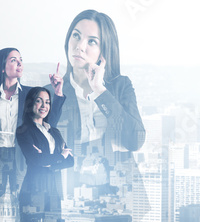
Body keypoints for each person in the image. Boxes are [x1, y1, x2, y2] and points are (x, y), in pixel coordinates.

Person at [50, 9, 147, 217]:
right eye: (76, 36)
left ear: (105, 52)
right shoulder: (50, 93)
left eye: (91, 41)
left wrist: (100, 91)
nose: (80, 46)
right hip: (68, 197)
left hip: (116, 197)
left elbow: (135, 140)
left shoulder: (120, 87)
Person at [0, 47, 65, 220]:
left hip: (23, 158)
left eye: (21, 59)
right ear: (2, 67)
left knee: (24, 212)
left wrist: (57, 93)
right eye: (14, 60)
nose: (20, 63)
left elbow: (49, 123)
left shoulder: (30, 93)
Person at [16, 87, 74, 221]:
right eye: (39, 101)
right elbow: (37, 159)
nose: (44, 106)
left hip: (53, 190)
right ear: (30, 104)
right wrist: (60, 156)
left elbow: (70, 161)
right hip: (33, 188)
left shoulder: (54, 132)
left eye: (47, 102)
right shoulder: (23, 131)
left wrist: (48, 162)